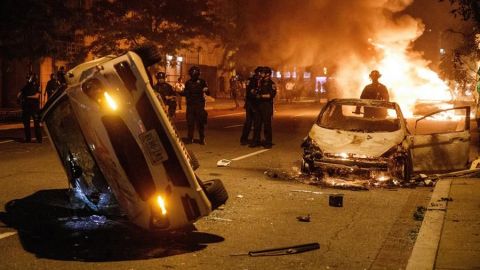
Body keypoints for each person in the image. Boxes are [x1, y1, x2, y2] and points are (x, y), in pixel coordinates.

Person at [250, 67, 276, 149]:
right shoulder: (260, 82)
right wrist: (253, 91)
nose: (261, 74)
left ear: (267, 74)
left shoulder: (271, 84)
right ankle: (256, 141)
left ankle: (268, 142)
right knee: (257, 124)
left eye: (262, 73)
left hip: (266, 106)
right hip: (258, 106)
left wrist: (261, 96)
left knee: (267, 125)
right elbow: (255, 90)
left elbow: (271, 95)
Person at [183, 66, 209, 145]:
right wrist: (179, 92)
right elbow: (186, 93)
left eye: (195, 74)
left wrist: (206, 90)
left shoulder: (202, 82)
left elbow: (208, 92)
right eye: (192, 74)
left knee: (200, 123)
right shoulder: (188, 83)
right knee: (190, 123)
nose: (193, 75)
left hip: (199, 105)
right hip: (190, 105)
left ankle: (202, 138)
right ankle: (190, 138)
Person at [240, 66, 263, 145]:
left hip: (257, 104)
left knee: (257, 123)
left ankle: (255, 139)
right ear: (257, 73)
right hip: (251, 104)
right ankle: (244, 139)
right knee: (249, 122)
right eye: (261, 73)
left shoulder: (261, 81)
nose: (262, 75)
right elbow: (250, 92)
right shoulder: (252, 80)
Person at [17, 72, 42, 143]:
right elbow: (19, 94)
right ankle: (28, 138)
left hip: (34, 107)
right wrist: (19, 98)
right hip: (27, 107)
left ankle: (39, 139)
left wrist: (26, 97)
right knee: (26, 123)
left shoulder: (37, 86)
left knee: (36, 123)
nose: (28, 79)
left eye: (29, 77)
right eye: (27, 78)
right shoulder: (26, 86)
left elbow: (37, 96)